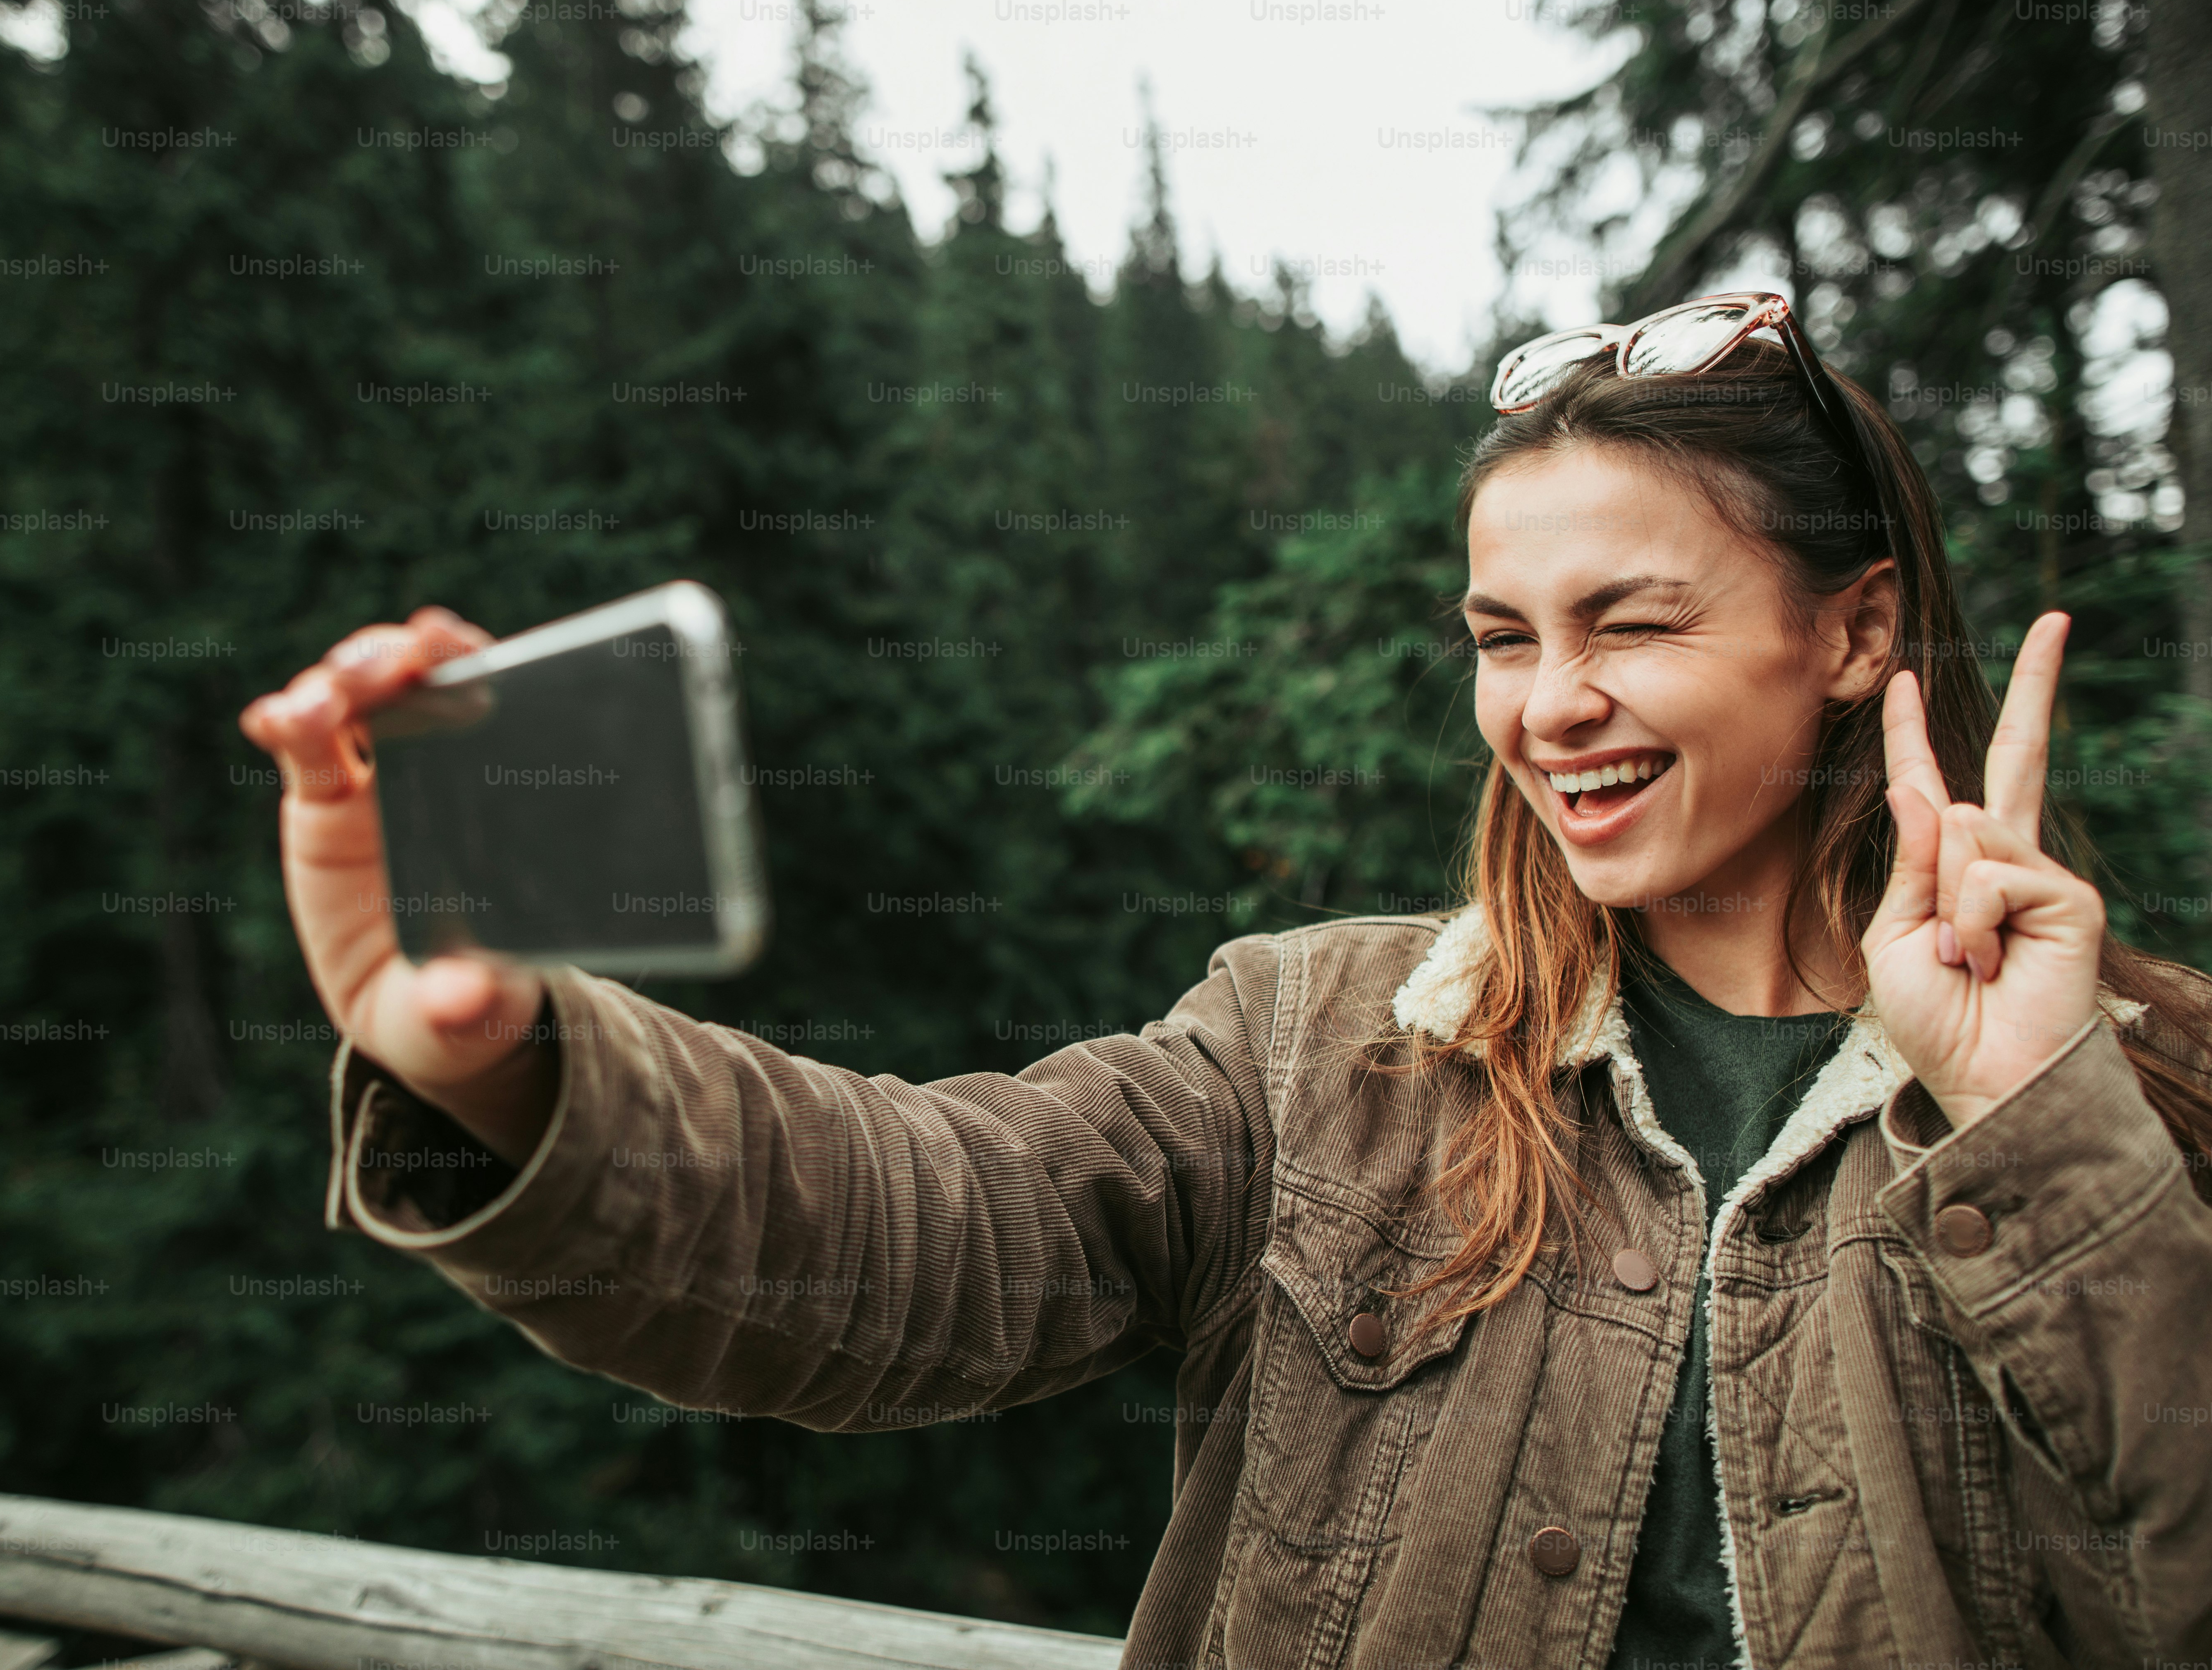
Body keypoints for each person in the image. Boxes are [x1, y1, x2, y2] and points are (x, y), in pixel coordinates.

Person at [239, 292, 2212, 1669]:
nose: (1550, 705)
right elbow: (906, 1239)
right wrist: (506, 1071)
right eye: (1498, 634)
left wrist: (2044, 1127)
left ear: (1852, 631)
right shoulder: (1312, 1049)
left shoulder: (2145, 1086)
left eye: (1629, 622)